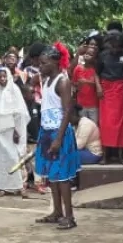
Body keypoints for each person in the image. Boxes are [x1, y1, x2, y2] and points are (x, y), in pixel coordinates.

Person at [31, 43, 80, 230]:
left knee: (62, 177)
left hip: (59, 133)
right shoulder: (46, 80)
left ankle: (70, 216)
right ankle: (57, 211)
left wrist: (58, 138)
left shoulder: (62, 81)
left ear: (54, 62)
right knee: (52, 176)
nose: (40, 66)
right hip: (47, 131)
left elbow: (67, 111)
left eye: (43, 63)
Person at [0, 66, 28, 195]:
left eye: (4, 76)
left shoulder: (14, 90)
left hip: (11, 130)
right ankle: (2, 187)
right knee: (0, 159)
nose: (2, 79)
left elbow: (20, 112)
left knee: (13, 157)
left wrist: (17, 130)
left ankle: (19, 186)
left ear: (8, 77)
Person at [95, 32, 123, 163]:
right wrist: (99, 87)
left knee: (122, 125)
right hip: (106, 92)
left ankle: (121, 155)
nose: (115, 48)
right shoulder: (103, 55)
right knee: (106, 124)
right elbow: (96, 73)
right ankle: (105, 156)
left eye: (118, 46)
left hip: (122, 91)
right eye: (113, 45)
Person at [71, 39, 102, 123]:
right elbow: (73, 83)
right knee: (83, 125)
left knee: (94, 126)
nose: (87, 56)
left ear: (95, 57)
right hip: (81, 104)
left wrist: (86, 82)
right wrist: (77, 85)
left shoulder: (96, 70)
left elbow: (100, 86)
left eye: (90, 55)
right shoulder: (78, 68)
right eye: (86, 54)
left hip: (94, 105)